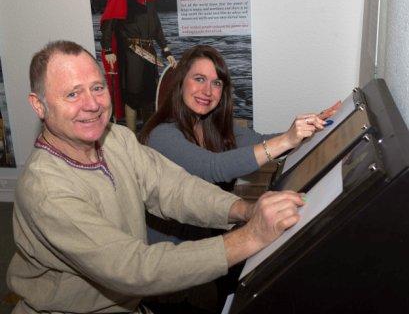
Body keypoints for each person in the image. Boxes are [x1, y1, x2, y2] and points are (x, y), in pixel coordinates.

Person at [6, 40, 305, 314]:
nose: (92, 104)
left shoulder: (117, 138)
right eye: (73, 93)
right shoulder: (46, 189)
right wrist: (250, 236)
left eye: (97, 88)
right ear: (39, 105)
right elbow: (132, 267)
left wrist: (244, 210)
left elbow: (174, 188)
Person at [138, 44, 339, 311]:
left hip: (207, 251)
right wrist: (286, 140)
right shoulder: (162, 135)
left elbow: (261, 143)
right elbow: (212, 167)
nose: (207, 91)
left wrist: (306, 131)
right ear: (180, 83)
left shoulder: (216, 126)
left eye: (216, 83)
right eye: (199, 79)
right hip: (167, 267)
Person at [100, 0, 177, 132]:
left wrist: (165, 49)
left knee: (149, 95)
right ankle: (131, 137)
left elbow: (156, 25)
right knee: (132, 96)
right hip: (130, 52)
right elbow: (109, 24)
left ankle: (148, 136)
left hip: (149, 51)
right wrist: (108, 49)